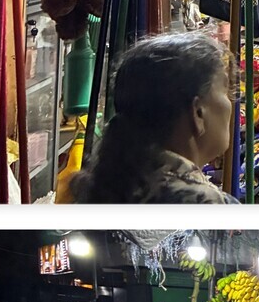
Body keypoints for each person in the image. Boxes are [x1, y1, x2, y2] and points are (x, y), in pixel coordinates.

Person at [70, 32, 239, 204]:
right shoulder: (200, 201)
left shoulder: (111, 182)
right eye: (225, 90)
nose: (231, 102)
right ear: (198, 113)